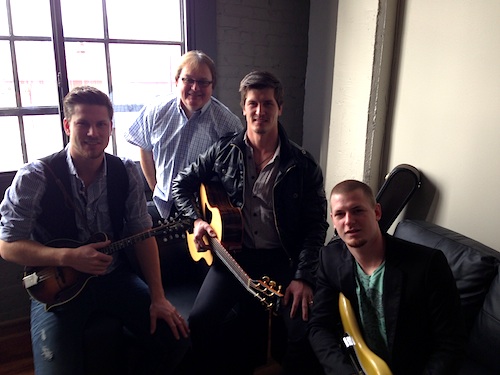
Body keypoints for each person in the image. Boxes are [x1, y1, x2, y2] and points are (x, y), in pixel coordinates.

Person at [0, 86, 190, 375]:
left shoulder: (125, 172)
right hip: (59, 288)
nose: (93, 132)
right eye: (83, 124)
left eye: (101, 124)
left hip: (115, 278)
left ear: (111, 128)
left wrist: (158, 296)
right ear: (67, 126)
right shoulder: (35, 176)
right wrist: (68, 257)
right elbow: (8, 244)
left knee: (176, 340)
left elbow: (143, 234)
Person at [171, 71, 329, 374]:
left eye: (268, 104)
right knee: (200, 320)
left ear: (280, 108)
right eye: (253, 104)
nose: (260, 112)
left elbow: (315, 226)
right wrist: (196, 222)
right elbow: (181, 184)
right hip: (233, 256)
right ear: (243, 108)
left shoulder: (303, 165)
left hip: (282, 257)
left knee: (300, 327)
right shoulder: (223, 150)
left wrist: (304, 276)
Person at [308, 179, 467, 375]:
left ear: (377, 212)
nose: (348, 221)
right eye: (340, 214)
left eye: (357, 210)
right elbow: (320, 326)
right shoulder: (329, 259)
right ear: (333, 219)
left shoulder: (428, 264)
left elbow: (451, 343)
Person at [124, 49, 243, 220]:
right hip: (161, 204)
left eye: (203, 82)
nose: (195, 88)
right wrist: (154, 186)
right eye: (188, 80)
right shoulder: (156, 111)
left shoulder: (228, 124)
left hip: (204, 212)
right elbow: (144, 147)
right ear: (176, 81)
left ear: (212, 85)